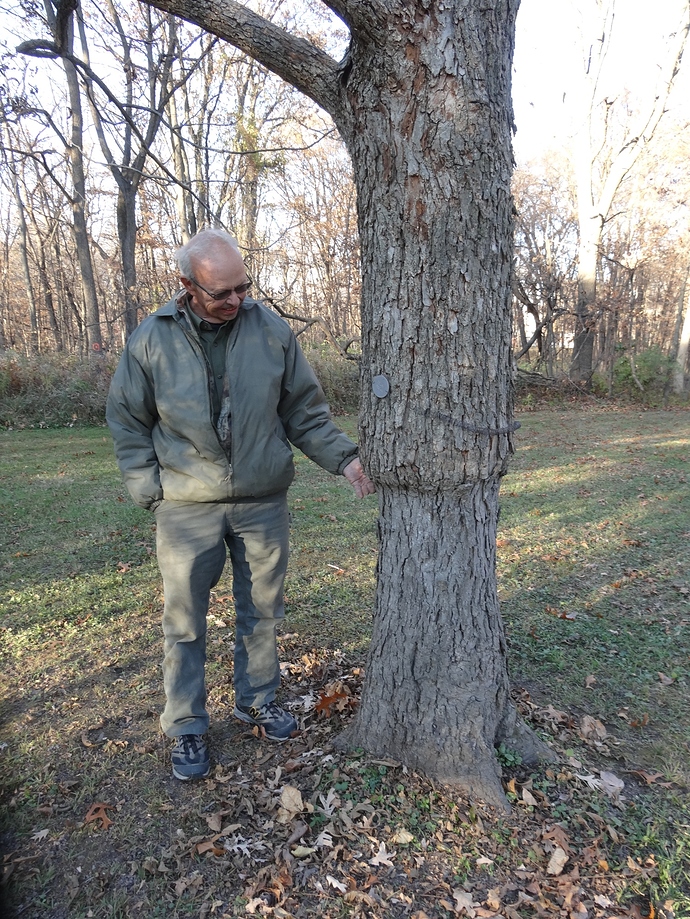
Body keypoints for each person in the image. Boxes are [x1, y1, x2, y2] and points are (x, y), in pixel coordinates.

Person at [107, 228, 374, 780]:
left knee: (262, 613)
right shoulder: (150, 339)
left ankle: (257, 699)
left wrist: (345, 459)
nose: (236, 301)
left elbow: (305, 411)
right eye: (221, 293)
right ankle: (186, 726)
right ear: (186, 286)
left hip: (261, 503)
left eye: (243, 288)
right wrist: (148, 489)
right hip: (186, 507)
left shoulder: (271, 331)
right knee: (184, 623)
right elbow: (128, 419)